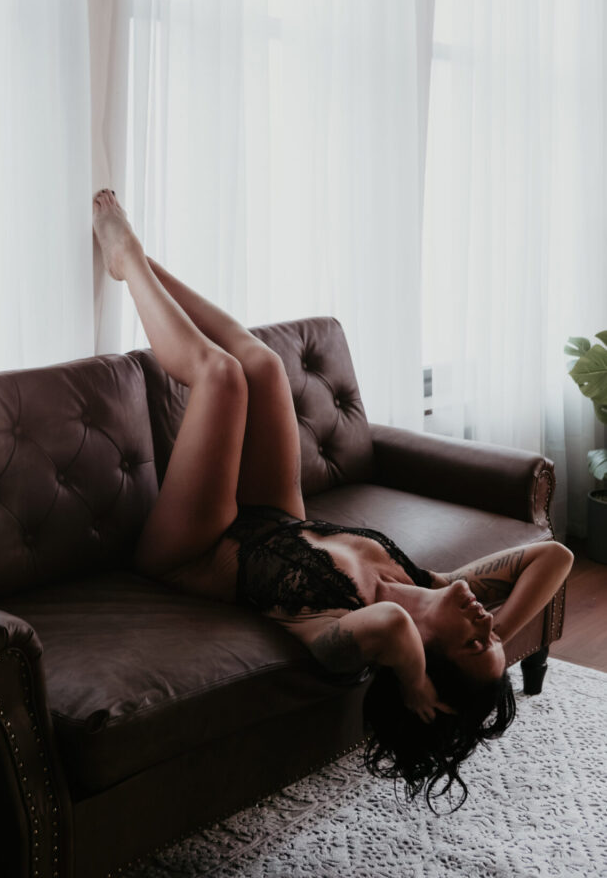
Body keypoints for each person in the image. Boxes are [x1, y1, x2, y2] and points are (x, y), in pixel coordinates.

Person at [92, 188, 574, 811]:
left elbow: (392, 626)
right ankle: (142, 264)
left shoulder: (345, 642)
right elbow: (554, 556)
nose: (484, 623)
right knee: (263, 365)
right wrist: (502, 634)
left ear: (426, 658)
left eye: (475, 641)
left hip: (192, 550)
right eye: (492, 634)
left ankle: (127, 255)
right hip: (273, 515)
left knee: (221, 377)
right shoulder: (429, 579)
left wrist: (418, 682)